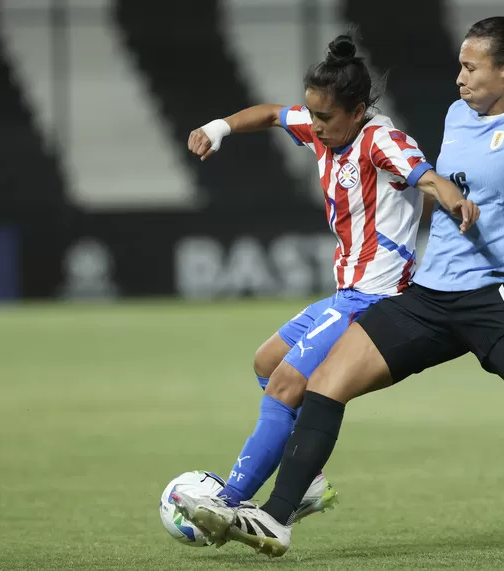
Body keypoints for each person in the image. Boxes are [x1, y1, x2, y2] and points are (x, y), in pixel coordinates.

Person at [177, 13, 504, 556]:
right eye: (459, 65)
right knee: (321, 383)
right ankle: (275, 517)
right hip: (427, 298)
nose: (459, 76)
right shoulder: (457, 115)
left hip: (494, 298)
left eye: (470, 66)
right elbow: (426, 176)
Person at [180, 33, 479, 543]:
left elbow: (425, 176)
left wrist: (453, 201)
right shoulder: (324, 129)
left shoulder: (380, 140)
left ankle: (228, 502)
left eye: (325, 118)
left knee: (284, 386)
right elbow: (274, 114)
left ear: (358, 110)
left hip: (377, 299)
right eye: (313, 116)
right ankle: (308, 479)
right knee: (266, 363)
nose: (314, 126)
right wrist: (218, 128)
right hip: (347, 295)